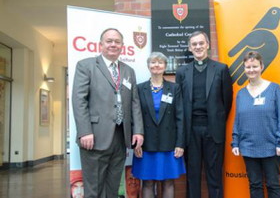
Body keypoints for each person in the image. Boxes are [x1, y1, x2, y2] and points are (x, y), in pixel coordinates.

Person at [72, 28, 144, 198]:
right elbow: (78, 100)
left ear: (122, 46)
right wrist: (85, 131)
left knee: (113, 187)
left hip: (120, 137)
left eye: (117, 42)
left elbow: (135, 103)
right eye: (109, 41)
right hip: (94, 137)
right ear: (100, 44)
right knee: (94, 189)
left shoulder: (128, 71)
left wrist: (138, 130)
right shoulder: (86, 66)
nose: (113, 44)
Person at [176, 31, 233, 198]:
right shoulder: (182, 72)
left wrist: (217, 120)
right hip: (190, 131)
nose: (198, 47)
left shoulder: (221, 69)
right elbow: (179, 104)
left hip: (213, 130)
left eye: (201, 43)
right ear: (190, 48)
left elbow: (227, 101)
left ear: (208, 45)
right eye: (194, 44)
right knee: (192, 177)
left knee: (214, 175)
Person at [231, 51, 280, 198]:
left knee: (273, 185)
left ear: (261, 66)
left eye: (255, 66)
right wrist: (235, 142)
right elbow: (238, 119)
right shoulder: (241, 93)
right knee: (254, 185)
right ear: (244, 68)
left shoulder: (275, 89)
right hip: (248, 147)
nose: (251, 70)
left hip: (271, 147)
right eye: (248, 67)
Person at [132, 52, 185, 198]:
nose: (156, 65)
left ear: (165, 66)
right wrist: (136, 144)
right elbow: (134, 117)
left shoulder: (175, 88)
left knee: (168, 182)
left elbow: (180, 117)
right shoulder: (139, 88)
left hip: (169, 143)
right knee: (148, 182)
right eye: (153, 62)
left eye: (160, 62)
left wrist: (180, 144)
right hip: (146, 144)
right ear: (148, 66)